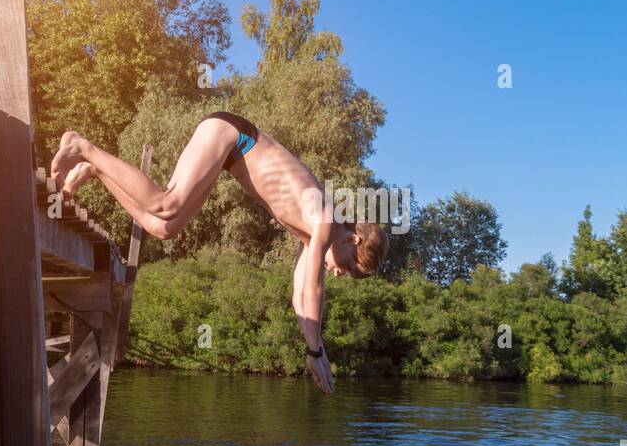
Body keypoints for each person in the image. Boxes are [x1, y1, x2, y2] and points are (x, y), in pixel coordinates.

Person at [50, 112, 390, 395]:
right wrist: (314, 350)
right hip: (233, 135)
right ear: (353, 243)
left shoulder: (313, 234)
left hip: (229, 154)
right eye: (347, 268)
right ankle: (83, 146)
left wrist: (316, 351)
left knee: (163, 227)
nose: (337, 273)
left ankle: (97, 169)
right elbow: (313, 287)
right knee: (165, 204)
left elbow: (301, 300)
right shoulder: (326, 220)